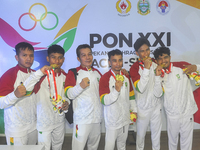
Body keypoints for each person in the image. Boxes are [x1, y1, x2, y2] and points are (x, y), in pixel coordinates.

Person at [23, 44, 69, 150]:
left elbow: (67, 95)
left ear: (63, 59)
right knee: (44, 148)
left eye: (60, 57)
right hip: (44, 122)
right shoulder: (40, 75)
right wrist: (39, 73)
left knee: (58, 146)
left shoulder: (66, 76)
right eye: (53, 57)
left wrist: (67, 103)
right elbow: (26, 88)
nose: (57, 61)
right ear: (48, 58)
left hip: (60, 120)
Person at [153, 46, 198, 150]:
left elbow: (197, 70)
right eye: (160, 58)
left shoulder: (181, 66)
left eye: (165, 57)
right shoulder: (157, 74)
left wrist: (196, 66)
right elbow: (157, 94)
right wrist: (157, 77)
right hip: (172, 115)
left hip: (187, 112)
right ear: (156, 61)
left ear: (170, 57)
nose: (163, 60)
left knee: (186, 143)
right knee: (172, 142)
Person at [64, 44, 102, 150]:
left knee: (93, 147)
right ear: (78, 58)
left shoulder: (97, 73)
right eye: (84, 55)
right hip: (81, 120)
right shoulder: (73, 73)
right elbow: (68, 94)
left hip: (96, 119)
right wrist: (80, 86)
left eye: (89, 54)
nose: (87, 57)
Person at [0, 42, 37, 145]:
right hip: (16, 129)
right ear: (17, 57)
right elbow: (1, 103)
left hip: (33, 126)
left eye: (31, 55)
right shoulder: (9, 75)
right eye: (24, 55)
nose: (29, 58)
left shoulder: (35, 74)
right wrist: (14, 95)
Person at [99, 49, 137, 150]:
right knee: (109, 147)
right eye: (114, 60)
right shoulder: (105, 78)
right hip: (112, 121)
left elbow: (131, 95)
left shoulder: (126, 76)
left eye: (120, 60)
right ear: (109, 62)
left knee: (122, 145)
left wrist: (134, 110)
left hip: (125, 119)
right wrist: (116, 91)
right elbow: (104, 100)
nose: (118, 63)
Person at [129, 38, 163, 150]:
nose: (146, 53)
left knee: (156, 137)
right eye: (142, 51)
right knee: (140, 137)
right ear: (137, 53)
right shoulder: (134, 68)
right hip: (142, 108)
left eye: (147, 50)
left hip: (156, 107)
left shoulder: (156, 63)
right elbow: (140, 88)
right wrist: (146, 69)